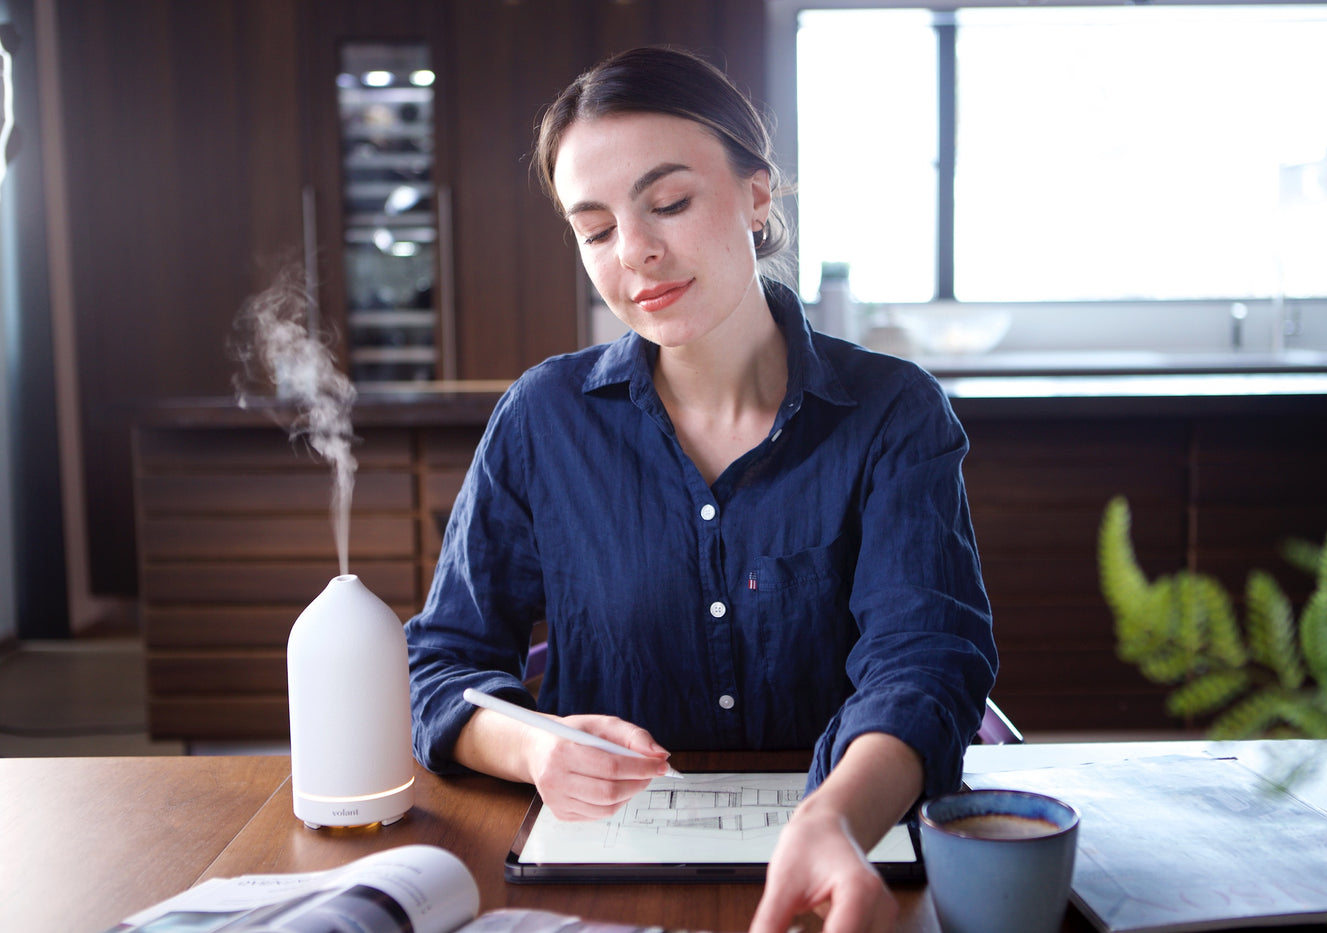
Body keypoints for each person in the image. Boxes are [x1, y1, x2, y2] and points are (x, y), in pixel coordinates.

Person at [405, 45, 997, 933]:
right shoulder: (543, 418)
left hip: (848, 858)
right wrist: (538, 749)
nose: (636, 250)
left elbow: (925, 662)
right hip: (597, 883)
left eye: (670, 202)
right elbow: (443, 666)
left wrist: (833, 817)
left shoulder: (892, 414)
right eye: (596, 229)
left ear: (759, 197)